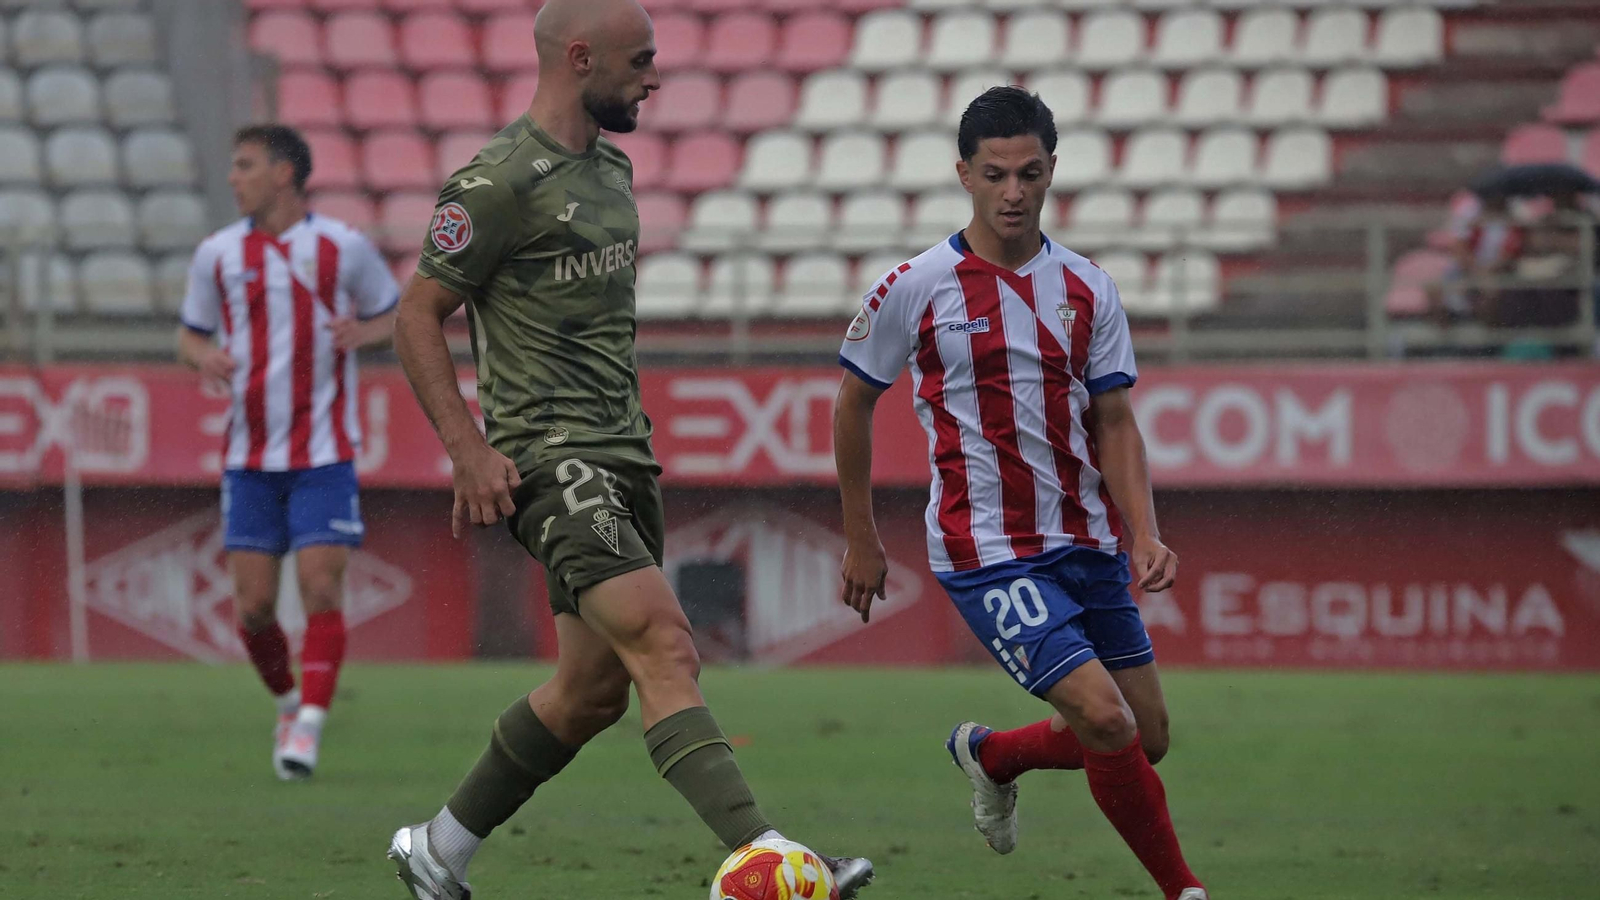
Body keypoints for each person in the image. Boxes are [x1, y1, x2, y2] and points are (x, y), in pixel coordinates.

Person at [385, 1, 873, 897]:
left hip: (625, 456)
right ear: (580, 59)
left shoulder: (612, 168)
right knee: (665, 642)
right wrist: (468, 449)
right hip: (551, 457)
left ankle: (438, 848)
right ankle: (768, 858)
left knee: (590, 692)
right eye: (641, 61)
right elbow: (416, 315)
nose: (655, 77)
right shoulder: (495, 183)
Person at [832, 87, 1207, 900]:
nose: (1013, 192)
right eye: (995, 174)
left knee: (1147, 735)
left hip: (1086, 539)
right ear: (963, 173)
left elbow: (1115, 420)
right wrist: (861, 534)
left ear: (1051, 173)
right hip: (986, 548)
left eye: (1029, 174)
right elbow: (853, 401)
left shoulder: (1087, 287)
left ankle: (995, 755)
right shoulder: (917, 284)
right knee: (1106, 721)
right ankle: (1184, 890)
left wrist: (1144, 531)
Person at [177, 124, 400, 780]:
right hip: (248, 458)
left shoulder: (343, 248)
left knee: (321, 586)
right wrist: (205, 355)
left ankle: (308, 729)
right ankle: (286, 701)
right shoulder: (217, 254)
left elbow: (399, 314)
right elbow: (187, 335)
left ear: (283, 174)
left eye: (244, 165)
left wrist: (365, 332)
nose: (232, 177)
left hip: (324, 454)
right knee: (252, 606)